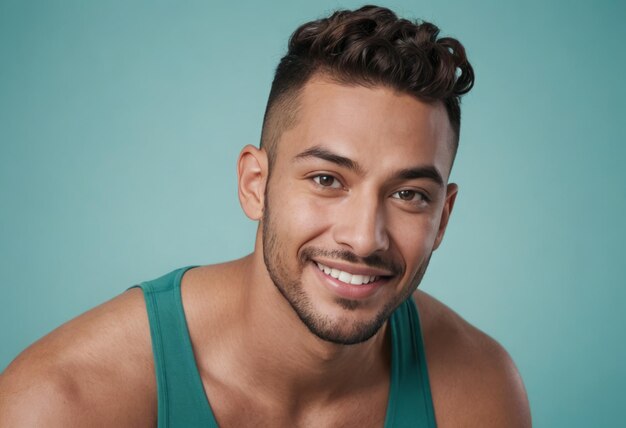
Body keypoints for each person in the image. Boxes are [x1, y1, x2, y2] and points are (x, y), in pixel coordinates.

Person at [0, 5, 531, 427]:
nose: (364, 238)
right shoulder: (61, 403)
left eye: (409, 195)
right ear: (255, 184)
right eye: (327, 180)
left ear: (443, 218)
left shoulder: (477, 392)